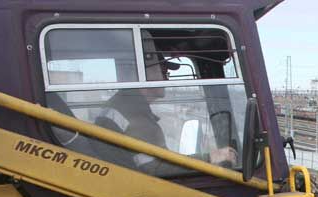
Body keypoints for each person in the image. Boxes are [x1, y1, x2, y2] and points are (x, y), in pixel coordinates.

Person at [94, 32, 236, 176]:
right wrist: (210, 158)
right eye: (163, 71)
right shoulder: (134, 116)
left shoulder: (126, 105)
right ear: (143, 72)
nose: (166, 79)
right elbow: (156, 169)